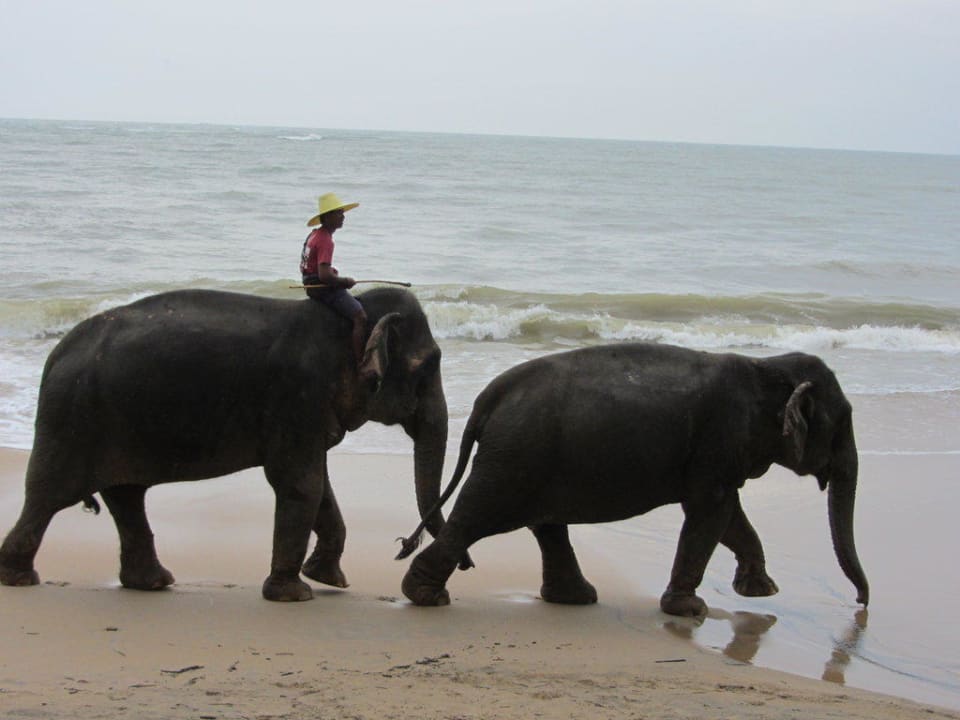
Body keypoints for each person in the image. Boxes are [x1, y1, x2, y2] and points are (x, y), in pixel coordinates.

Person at [300, 192, 368, 370]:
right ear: (328, 216)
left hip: (310, 284)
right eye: (339, 213)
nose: (343, 217)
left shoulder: (314, 234)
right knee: (360, 316)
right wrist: (344, 281)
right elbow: (324, 276)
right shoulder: (326, 241)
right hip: (321, 287)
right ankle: (361, 364)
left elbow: (310, 266)